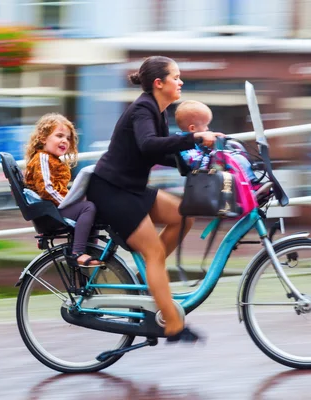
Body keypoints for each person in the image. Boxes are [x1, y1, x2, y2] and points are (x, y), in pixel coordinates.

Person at [86, 56, 224, 342]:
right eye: (176, 77)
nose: (181, 81)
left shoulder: (158, 111)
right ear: (159, 83)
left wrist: (193, 164)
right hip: (113, 190)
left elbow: (157, 153)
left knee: (183, 215)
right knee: (155, 254)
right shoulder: (143, 109)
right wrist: (195, 139)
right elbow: (148, 144)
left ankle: (149, 277)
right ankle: (172, 325)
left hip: (131, 188)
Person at [24, 113, 101, 267]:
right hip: (51, 212)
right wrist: (68, 202)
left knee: (92, 208)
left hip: (53, 208)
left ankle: (91, 250)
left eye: (68, 138)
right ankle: (78, 252)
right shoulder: (43, 158)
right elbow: (46, 189)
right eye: (59, 136)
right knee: (88, 208)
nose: (64, 140)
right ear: (43, 138)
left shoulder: (52, 159)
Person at [174, 100, 258, 184]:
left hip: (208, 174)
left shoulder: (195, 140)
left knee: (236, 155)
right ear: (192, 128)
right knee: (236, 159)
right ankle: (252, 183)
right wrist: (214, 154)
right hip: (203, 178)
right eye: (205, 125)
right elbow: (195, 163)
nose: (207, 129)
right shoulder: (184, 144)